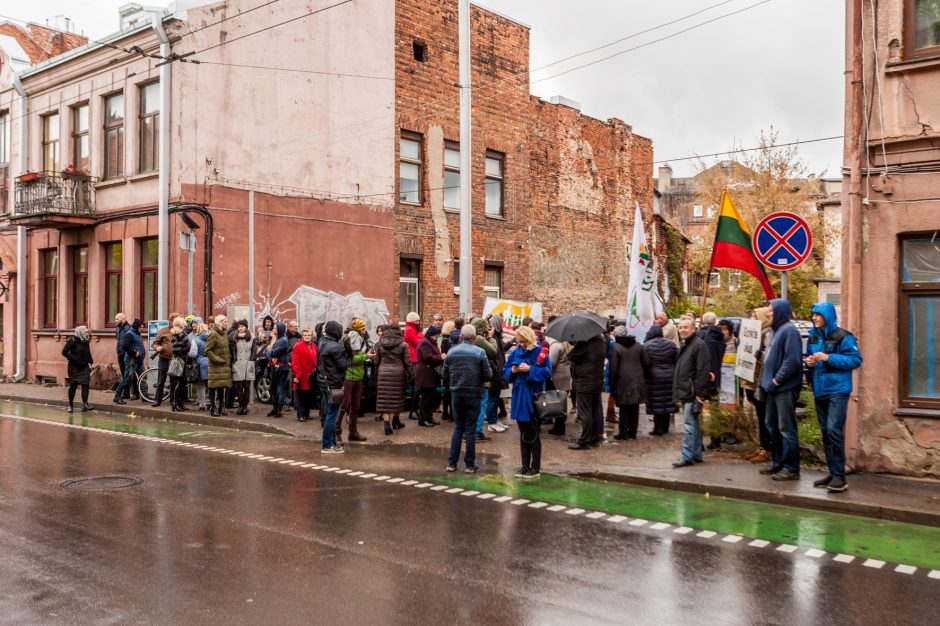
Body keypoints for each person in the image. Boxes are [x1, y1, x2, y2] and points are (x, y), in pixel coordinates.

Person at [805, 302, 862, 492]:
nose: (814, 318)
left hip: (838, 390)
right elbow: (808, 356)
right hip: (820, 390)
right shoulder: (812, 337)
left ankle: (840, 477)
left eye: (817, 315)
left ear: (827, 316)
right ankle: (832, 472)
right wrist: (809, 362)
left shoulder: (844, 336)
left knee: (833, 430)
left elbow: (855, 360)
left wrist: (829, 358)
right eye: (813, 315)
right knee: (826, 432)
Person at [759, 299, 804, 481]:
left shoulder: (789, 331)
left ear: (780, 311)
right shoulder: (774, 331)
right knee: (772, 426)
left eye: (771, 310)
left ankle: (791, 468)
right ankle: (778, 463)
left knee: (786, 428)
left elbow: (792, 361)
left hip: (783, 388)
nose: (769, 313)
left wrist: (777, 380)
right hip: (772, 389)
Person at [443, 324, 492, 473]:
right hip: (474, 394)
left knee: (458, 428)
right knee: (470, 429)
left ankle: (451, 463)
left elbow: (444, 374)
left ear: (461, 336)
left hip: (456, 393)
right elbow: (488, 375)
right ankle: (469, 465)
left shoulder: (451, 352)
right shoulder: (480, 352)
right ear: (474, 338)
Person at [504, 326, 552, 478]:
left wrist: (530, 370)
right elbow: (504, 370)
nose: (521, 344)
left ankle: (535, 467)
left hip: (533, 396)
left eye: (524, 341)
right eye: (519, 341)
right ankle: (524, 465)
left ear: (530, 339)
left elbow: (547, 372)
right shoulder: (516, 351)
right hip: (519, 395)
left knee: (533, 432)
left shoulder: (540, 352)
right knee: (523, 431)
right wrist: (513, 371)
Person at [672, 318, 711, 467]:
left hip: (692, 392)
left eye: (686, 327)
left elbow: (703, 371)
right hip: (686, 390)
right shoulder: (687, 344)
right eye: (681, 327)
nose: (682, 330)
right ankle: (696, 454)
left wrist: (700, 395)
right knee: (693, 424)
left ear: (693, 329)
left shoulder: (698, 345)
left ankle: (686, 456)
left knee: (689, 425)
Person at [741, 306, 773, 463]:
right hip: (753, 379)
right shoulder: (757, 333)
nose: (752, 319)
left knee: (764, 416)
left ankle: (767, 449)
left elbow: (766, 359)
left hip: (761, 381)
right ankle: (762, 447)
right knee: (761, 416)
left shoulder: (766, 334)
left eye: (755, 316)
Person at [567, 332, 607, 450]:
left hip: (585, 382)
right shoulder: (601, 342)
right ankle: (594, 438)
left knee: (585, 413)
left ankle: (584, 441)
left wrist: (578, 343)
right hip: (596, 381)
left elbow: (571, 356)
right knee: (594, 411)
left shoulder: (585, 344)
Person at [609, 326, 649, 440]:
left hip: (623, 380)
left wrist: (613, 383)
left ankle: (623, 433)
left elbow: (614, 368)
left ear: (616, 336)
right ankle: (633, 432)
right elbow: (646, 362)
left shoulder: (616, 347)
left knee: (623, 406)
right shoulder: (638, 345)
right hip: (638, 379)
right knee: (634, 406)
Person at [374, 323, 413, 436]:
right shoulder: (403, 344)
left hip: (383, 373)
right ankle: (396, 420)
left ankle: (387, 425)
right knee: (397, 398)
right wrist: (412, 375)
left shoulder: (381, 343)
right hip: (398, 374)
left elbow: (376, 361)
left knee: (384, 399)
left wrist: (377, 373)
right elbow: (408, 362)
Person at [317, 321, 349, 453]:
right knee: (332, 414)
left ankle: (332, 442)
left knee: (330, 412)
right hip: (333, 384)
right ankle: (327, 445)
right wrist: (350, 355)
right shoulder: (335, 347)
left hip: (323, 381)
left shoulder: (321, 341)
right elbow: (344, 366)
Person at [643, 324, 678, 435]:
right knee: (667, 401)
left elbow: (645, 363)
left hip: (654, 377)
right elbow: (676, 360)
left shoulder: (647, 346)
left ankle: (658, 429)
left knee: (657, 402)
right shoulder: (671, 344)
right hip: (670, 376)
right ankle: (666, 428)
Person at [470, 317, 502, 439]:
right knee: (482, 403)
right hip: (481, 377)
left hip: (471, 377)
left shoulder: (470, 338)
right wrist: (491, 337)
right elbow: (493, 351)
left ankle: (471, 431)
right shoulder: (479, 339)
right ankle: (477, 431)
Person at [339, 318, 370, 441]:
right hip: (349, 376)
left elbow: (357, 357)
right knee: (344, 405)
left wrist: (365, 356)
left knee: (356, 406)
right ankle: (337, 432)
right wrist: (366, 356)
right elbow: (352, 360)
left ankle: (353, 432)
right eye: (363, 329)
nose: (364, 331)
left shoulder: (359, 339)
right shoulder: (352, 339)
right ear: (357, 329)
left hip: (357, 376)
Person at [415, 325, 444, 428]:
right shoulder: (425, 343)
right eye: (436, 336)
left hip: (430, 374)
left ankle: (429, 417)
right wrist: (440, 357)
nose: (437, 338)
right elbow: (427, 357)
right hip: (426, 374)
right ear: (432, 335)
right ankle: (423, 419)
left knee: (430, 398)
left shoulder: (429, 341)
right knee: (426, 398)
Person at [545, 331, 572, 436]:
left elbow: (551, 363)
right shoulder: (567, 344)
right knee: (563, 401)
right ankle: (560, 426)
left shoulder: (556, 346)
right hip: (566, 376)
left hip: (557, 377)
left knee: (557, 403)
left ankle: (558, 427)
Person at [205, 315, 232, 417]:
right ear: (220, 323)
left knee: (222, 387)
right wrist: (218, 359)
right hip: (215, 365)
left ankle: (222, 408)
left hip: (224, 365)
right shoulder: (213, 334)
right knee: (213, 387)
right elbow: (207, 350)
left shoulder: (224, 333)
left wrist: (227, 358)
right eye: (225, 321)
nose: (226, 323)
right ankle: (213, 408)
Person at [62, 325, 93, 413]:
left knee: (86, 384)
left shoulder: (86, 341)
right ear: (80, 332)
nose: (87, 333)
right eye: (86, 332)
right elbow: (64, 352)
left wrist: (91, 362)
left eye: (87, 332)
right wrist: (74, 358)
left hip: (84, 366)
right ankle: (70, 405)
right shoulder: (72, 341)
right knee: (73, 386)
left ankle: (85, 405)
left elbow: (88, 352)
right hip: (74, 368)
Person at [114, 319, 145, 405]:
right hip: (132, 361)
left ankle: (145, 396)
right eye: (141, 327)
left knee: (143, 377)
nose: (142, 329)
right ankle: (117, 396)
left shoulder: (137, 334)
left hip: (139, 361)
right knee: (127, 379)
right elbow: (124, 346)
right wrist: (134, 352)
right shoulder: (129, 334)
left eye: (143, 327)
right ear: (136, 327)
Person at [291, 327, 319, 422]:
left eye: (309, 335)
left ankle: (307, 414)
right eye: (305, 335)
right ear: (302, 336)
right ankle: (301, 415)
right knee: (301, 396)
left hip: (311, 375)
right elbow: (295, 362)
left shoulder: (314, 345)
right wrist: (297, 375)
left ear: (312, 336)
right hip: (302, 375)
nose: (307, 337)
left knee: (309, 396)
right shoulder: (297, 346)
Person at [696, 312, 726, 398]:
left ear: (703, 321)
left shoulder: (699, 335)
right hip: (716, 372)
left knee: (700, 399)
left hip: (701, 373)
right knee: (714, 398)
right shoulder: (720, 336)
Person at [230, 320, 257, 415]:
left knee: (247, 386)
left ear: (246, 327)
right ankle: (240, 406)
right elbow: (233, 350)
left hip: (248, 364)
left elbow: (254, 351)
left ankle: (245, 406)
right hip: (238, 364)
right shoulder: (234, 337)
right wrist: (234, 360)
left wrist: (251, 361)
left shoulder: (252, 337)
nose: (240, 328)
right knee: (239, 387)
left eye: (242, 326)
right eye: (239, 326)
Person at [267, 322, 290, 418]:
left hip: (281, 368)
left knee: (279, 389)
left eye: (276, 328)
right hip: (275, 366)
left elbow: (272, 352)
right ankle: (274, 408)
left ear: (280, 329)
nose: (273, 330)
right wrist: (270, 353)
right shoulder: (277, 339)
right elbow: (268, 353)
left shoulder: (283, 340)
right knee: (274, 388)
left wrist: (270, 351)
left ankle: (279, 410)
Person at [403, 312, 423, 419]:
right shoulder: (410, 330)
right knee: (417, 385)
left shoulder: (412, 329)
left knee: (417, 385)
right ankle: (413, 410)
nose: (419, 322)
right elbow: (418, 343)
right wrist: (421, 335)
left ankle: (414, 409)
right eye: (418, 320)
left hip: (414, 359)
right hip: (413, 359)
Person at [150, 319, 174, 407]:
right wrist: (157, 347)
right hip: (164, 358)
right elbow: (155, 343)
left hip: (175, 359)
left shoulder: (179, 330)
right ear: (170, 322)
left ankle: (173, 400)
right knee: (161, 380)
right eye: (173, 322)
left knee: (174, 380)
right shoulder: (163, 331)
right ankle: (157, 400)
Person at [193, 322, 210, 410]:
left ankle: (202, 404)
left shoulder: (195, 340)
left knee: (200, 385)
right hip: (210, 362)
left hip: (200, 363)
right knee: (210, 384)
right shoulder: (211, 338)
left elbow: (193, 354)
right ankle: (211, 402)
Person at [114, 313, 130, 398]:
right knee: (124, 374)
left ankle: (135, 393)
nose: (115, 321)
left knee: (129, 374)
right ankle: (126, 393)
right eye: (115, 319)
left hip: (126, 354)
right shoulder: (117, 328)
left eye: (117, 319)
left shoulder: (128, 328)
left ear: (122, 319)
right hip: (120, 354)